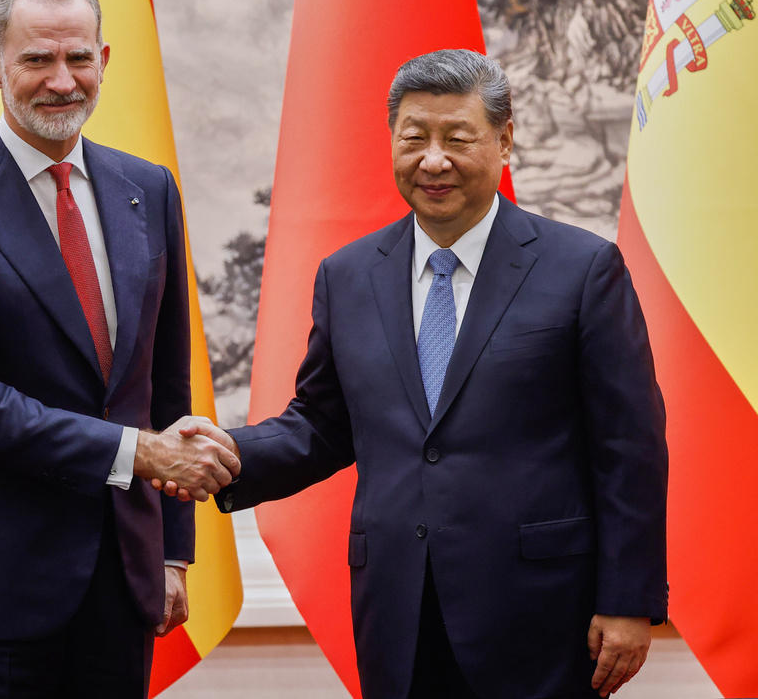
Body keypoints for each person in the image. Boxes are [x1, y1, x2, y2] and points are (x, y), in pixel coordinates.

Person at [167, 49, 668, 699]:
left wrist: (628, 599)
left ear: (504, 140)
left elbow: (629, 448)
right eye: (415, 138)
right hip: (398, 613)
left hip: (541, 615)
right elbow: (322, 424)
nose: (434, 159)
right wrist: (228, 452)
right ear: (393, 142)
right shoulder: (348, 276)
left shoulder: (582, 270)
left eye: (458, 138)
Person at [0, 0, 238, 699]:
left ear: (105, 61)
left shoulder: (149, 188)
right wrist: (140, 454)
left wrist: (173, 552)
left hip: (123, 577)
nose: (62, 79)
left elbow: (162, 383)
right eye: (37, 59)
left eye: (79, 57)